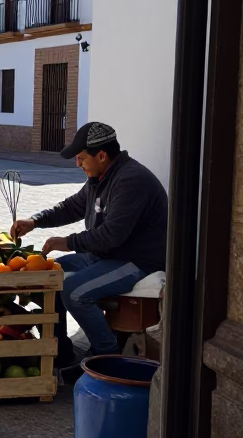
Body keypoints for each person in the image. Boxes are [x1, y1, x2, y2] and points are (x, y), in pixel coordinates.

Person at [9, 122, 168, 378]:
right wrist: (35, 221)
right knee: (51, 275)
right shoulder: (100, 177)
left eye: (81, 158)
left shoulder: (131, 180)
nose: (78, 164)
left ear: (102, 156)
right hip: (105, 255)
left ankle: (105, 357)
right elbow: (71, 207)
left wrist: (67, 242)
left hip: (135, 261)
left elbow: (111, 236)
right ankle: (60, 351)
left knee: (73, 291)